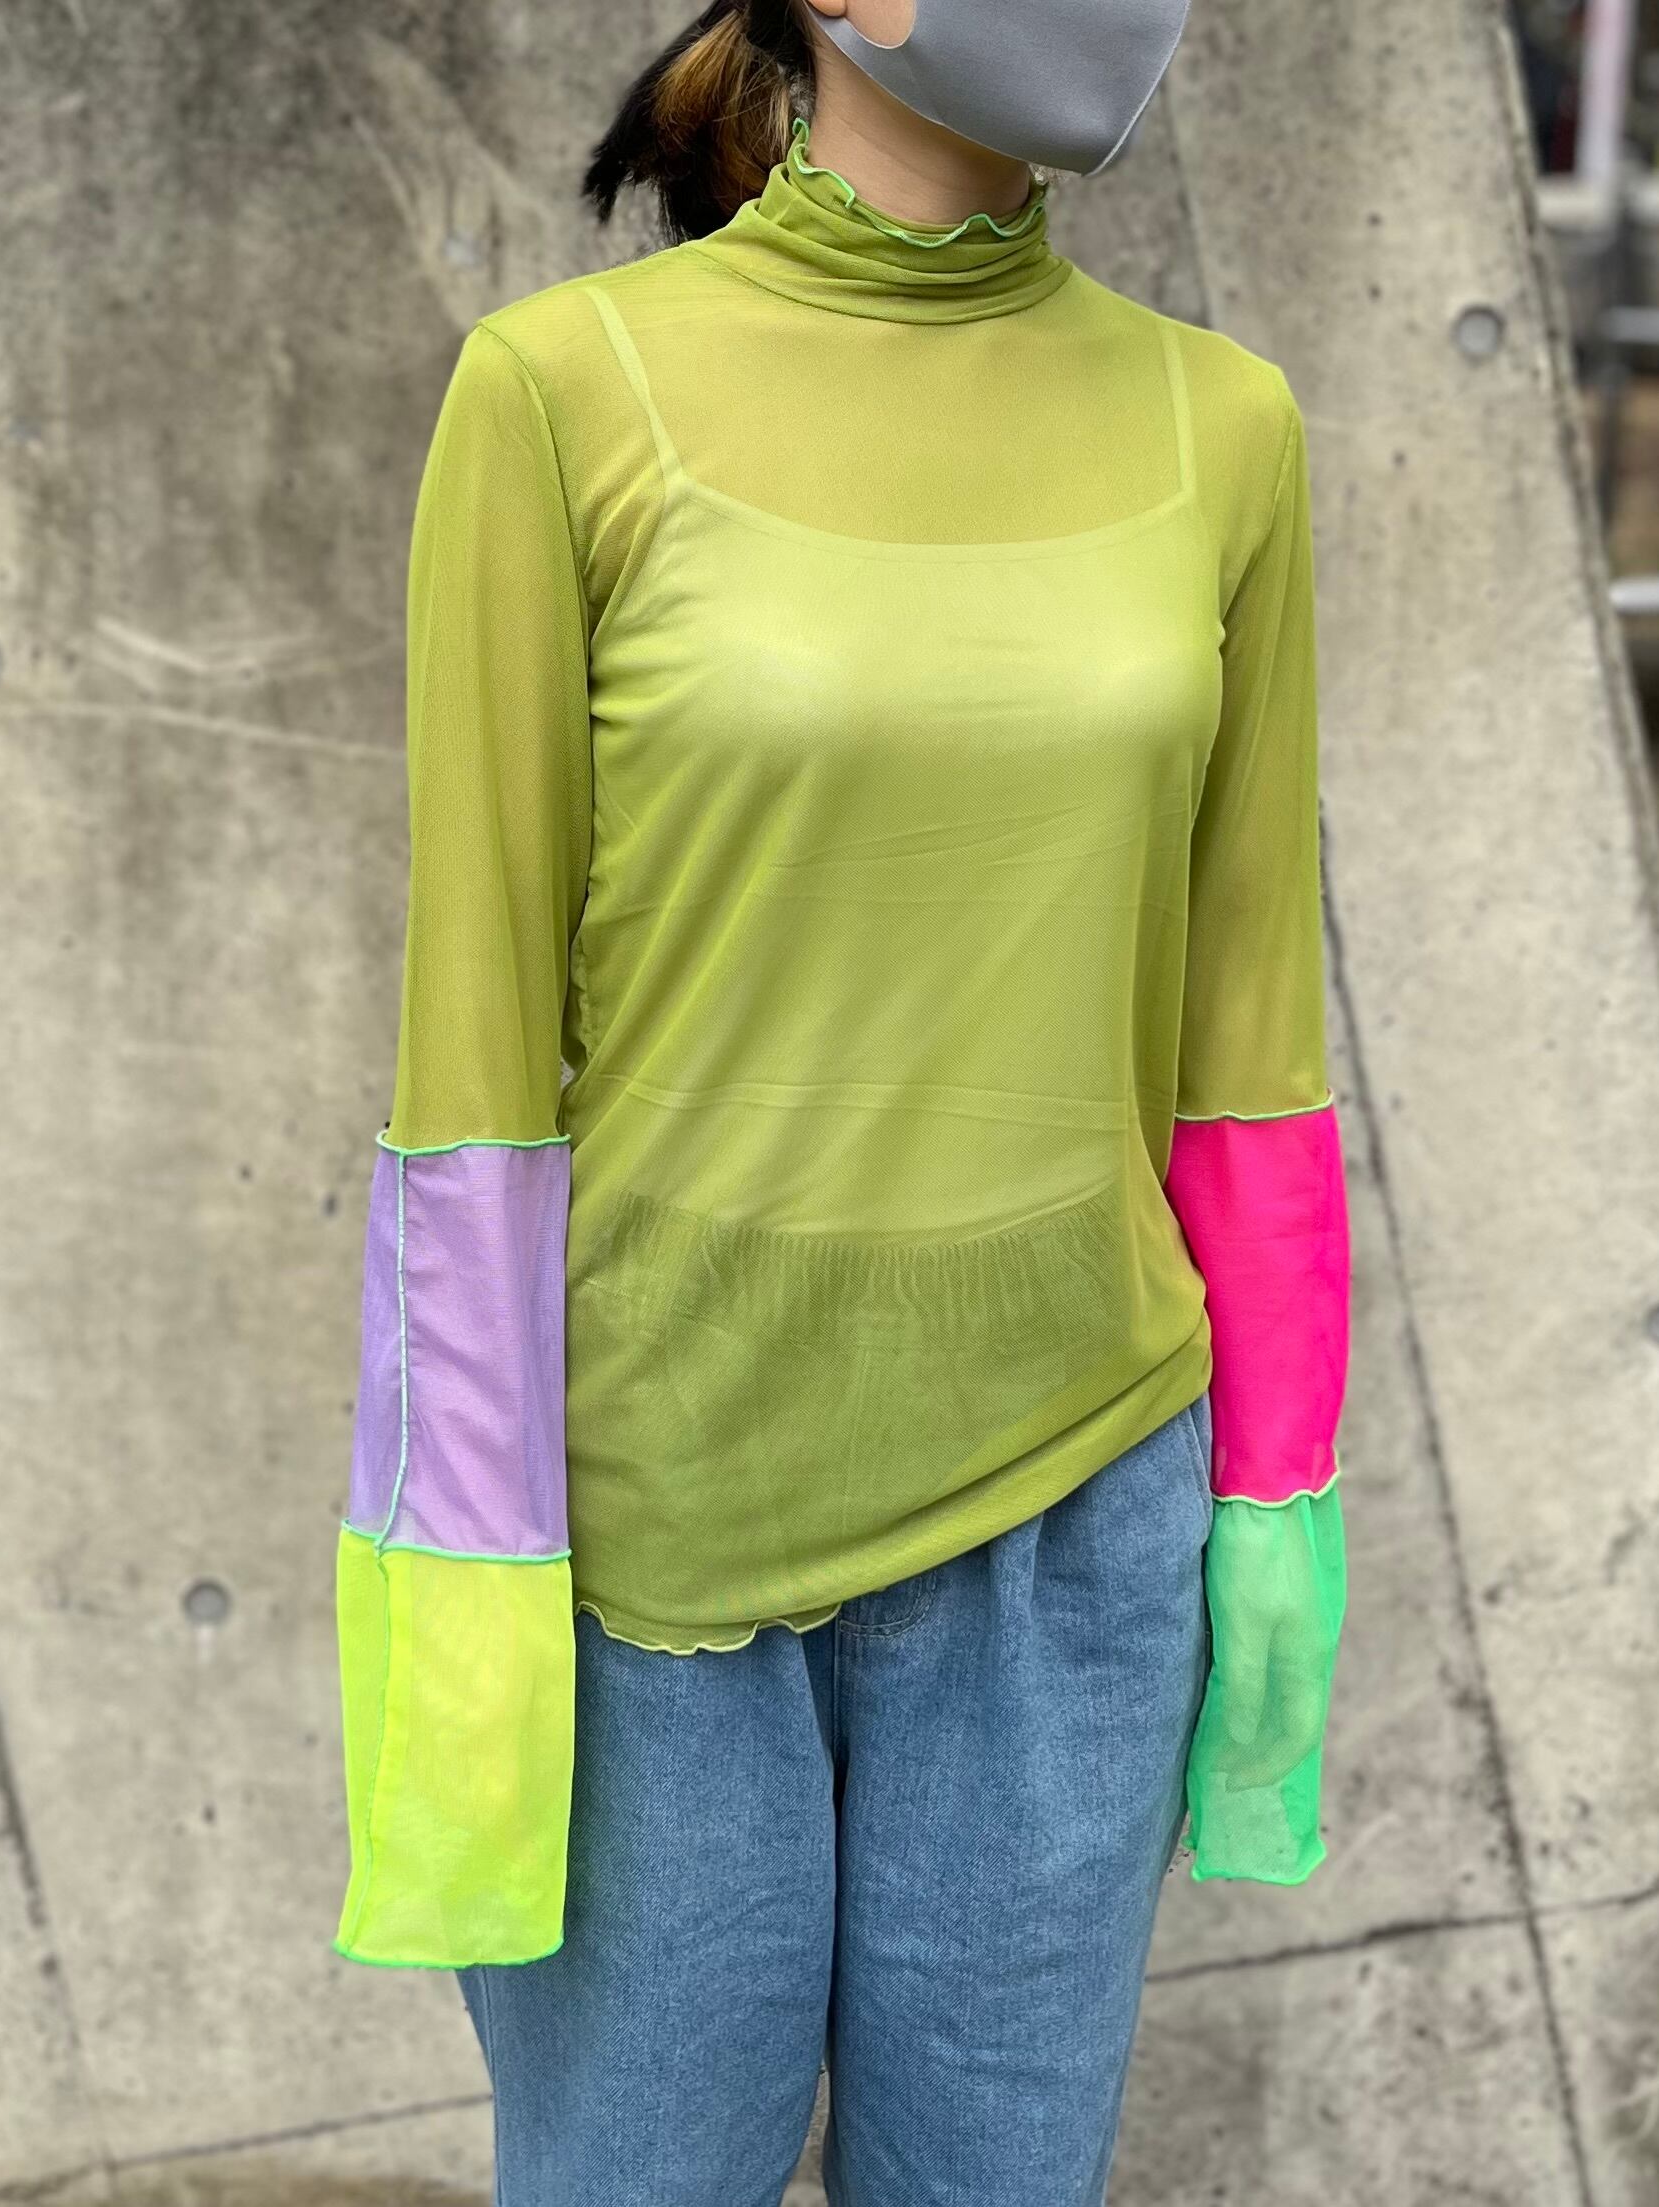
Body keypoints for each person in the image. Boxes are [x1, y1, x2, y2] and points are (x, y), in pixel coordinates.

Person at [330, 0, 1352, 2199]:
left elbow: (1251, 1051)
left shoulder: (1225, 425)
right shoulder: (562, 392)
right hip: (655, 1510)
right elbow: (473, 1066)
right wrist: (467, 1562)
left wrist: (1276, 1517)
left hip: (1079, 1487)